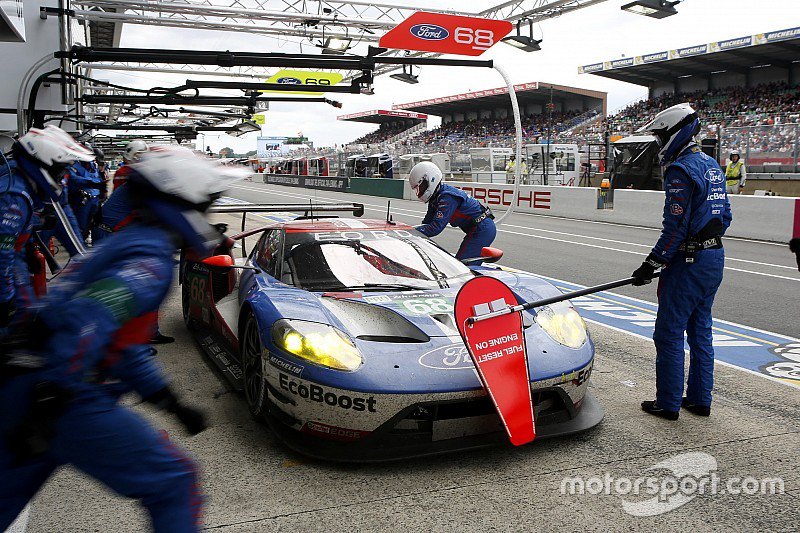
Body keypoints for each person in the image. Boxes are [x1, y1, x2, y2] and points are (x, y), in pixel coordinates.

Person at [0, 145, 244, 532]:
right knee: (176, 484)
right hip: (65, 396)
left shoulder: (128, 242)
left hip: (28, 382)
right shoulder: (149, 260)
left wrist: (167, 399)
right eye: (206, 204)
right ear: (183, 203)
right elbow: (88, 320)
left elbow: (120, 342)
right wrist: (54, 396)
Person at [630, 103, 732, 421]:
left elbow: (675, 227)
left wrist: (651, 263)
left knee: (669, 333)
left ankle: (669, 402)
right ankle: (700, 399)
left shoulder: (680, 170)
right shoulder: (711, 165)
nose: (660, 143)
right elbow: (725, 215)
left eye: (662, 136)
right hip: (715, 256)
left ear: (676, 131)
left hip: (688, 261)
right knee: (701, 331)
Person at [0, 126, 94, 335]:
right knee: (18, 310)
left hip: (15, 254)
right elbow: (2, 253)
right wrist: (4, 298)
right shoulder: (14, 195)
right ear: (43, 164)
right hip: (8, 259)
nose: (63, 176)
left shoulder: (23, 180)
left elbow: (63, 213)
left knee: (26, 309)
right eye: (60, 170)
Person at [409, 161, 497, 264]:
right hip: (476, 228)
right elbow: (426, 223)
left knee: (463, 265)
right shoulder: (435, 198)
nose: (419, 192)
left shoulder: (447, 197)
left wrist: (410, 232)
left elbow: (435, 228)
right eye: (417, 189)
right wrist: (409, 232)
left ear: (430, 179)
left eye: (421, 187)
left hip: (482, 229)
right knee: (460, 263)